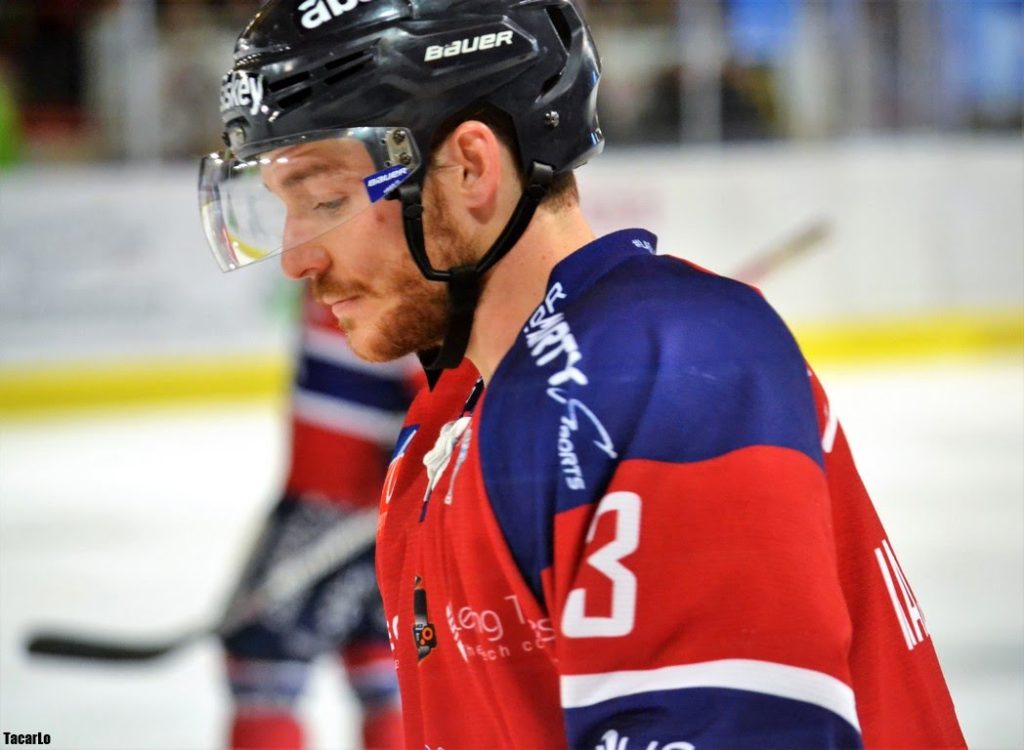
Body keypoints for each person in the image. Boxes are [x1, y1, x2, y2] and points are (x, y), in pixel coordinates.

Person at [198, 1, 967, 747]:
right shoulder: (449, 430)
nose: (298, 255)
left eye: (327, 198)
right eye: (282, 207)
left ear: (470, 168)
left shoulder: (660, 368)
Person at [219, 290, 417, 750]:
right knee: (382, 660)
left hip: (337, 513)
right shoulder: (354, 260)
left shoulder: (404, 266)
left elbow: (447, 382)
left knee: (262, 661)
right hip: (362, 511)